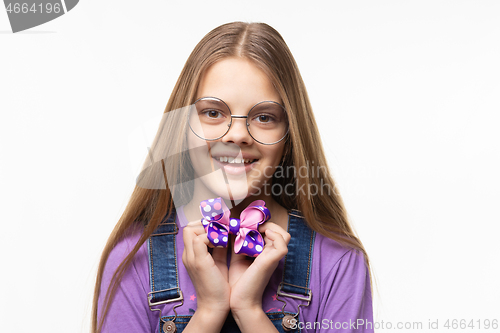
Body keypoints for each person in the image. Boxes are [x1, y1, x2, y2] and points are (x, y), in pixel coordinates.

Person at [91, 21, 374, 333]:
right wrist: (209, 311)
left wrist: (249, 311)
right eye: (213, 113)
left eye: (264, 117)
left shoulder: (338, 262)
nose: (238, 134)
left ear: (289, 134)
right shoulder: (133, 258)